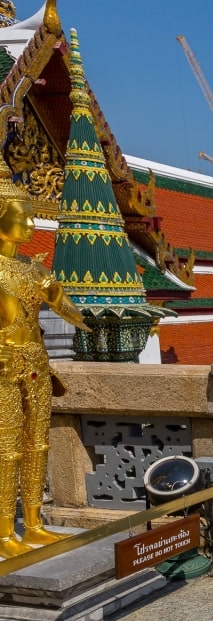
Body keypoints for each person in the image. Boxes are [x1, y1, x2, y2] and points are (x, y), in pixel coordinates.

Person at [0, 157, 89, 558]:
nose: (32, 226)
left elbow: (70, 312)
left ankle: (33, 523)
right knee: (8, 449)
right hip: (3, 368)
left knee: (38, 444)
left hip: (36, 363)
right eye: (24, 216)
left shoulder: (32, 270)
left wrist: (62, 298)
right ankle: (5, 530)